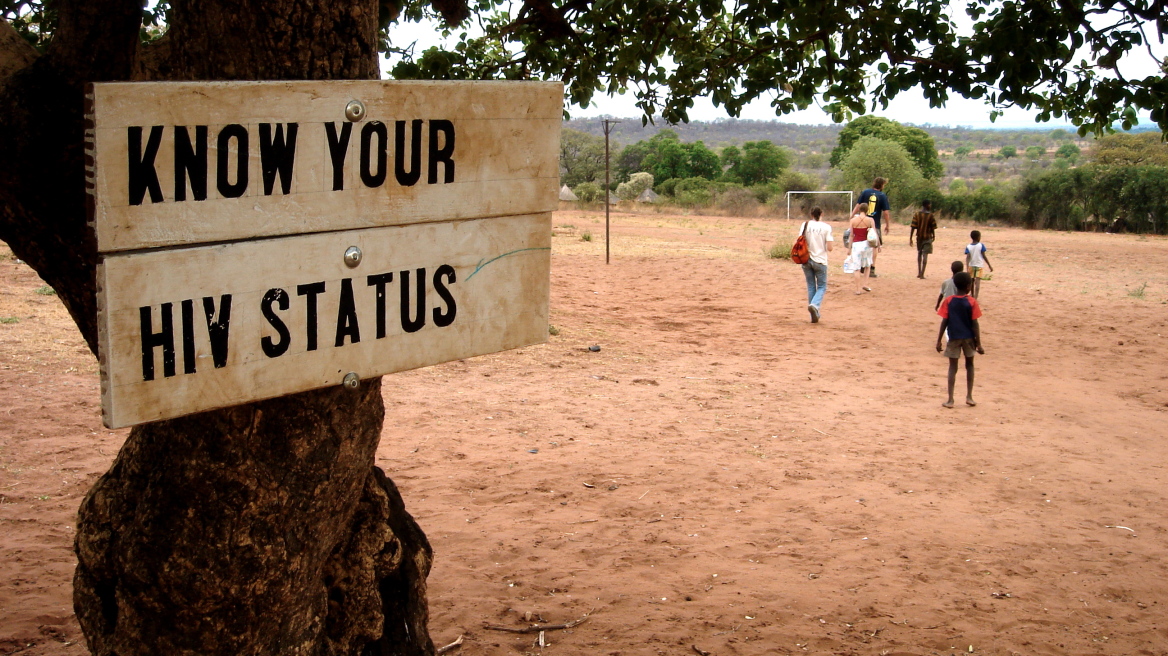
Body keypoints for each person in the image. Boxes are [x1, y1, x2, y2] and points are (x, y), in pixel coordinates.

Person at [936, 272, 984, 408]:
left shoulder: (949, 301)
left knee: (953, 367)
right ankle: (969, 396)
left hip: (953, 337)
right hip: (969, 337)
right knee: (970, 365)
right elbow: (975, 324)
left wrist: (939, 340)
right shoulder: (972, 302)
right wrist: (979, 343)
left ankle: (950, 399)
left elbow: (944, 321)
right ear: (969, 286)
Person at [799, 207, 834, 323]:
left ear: (811, 214)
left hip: (806, 259)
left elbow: (800, 240)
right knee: (822, 286)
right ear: (822, 214)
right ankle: (815, 305)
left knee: (811, 285)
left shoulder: (805, 225)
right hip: (820, 260)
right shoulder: (826, 227)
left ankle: (813, 313)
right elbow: (830, 248)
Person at [854, 177, 890, 277]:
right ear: (882, 185)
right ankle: (872, 269)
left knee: (861, 242)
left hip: (862, 222)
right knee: (874, 245)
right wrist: (887, 225)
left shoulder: (865, 192)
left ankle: (861, 266)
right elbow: (886, 213)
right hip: (875, 224)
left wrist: (852, 216)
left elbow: (858, 205)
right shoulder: (882, 196)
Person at [842, 206, 875, 294]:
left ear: (859, 210)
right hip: (867, 244)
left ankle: (857, 289)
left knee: (856, 268)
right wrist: (878, 245)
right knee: (867, 266)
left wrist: (849, 248)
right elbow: (874, 233)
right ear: (867, 210)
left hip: (856, 245)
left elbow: (851, 235)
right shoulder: (870, 220)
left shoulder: (853, 220)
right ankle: (865, 284)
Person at [909, 200, 938, 279]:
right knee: (925, 255)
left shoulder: (917, 214)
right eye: (929, 204)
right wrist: (934, 236)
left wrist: (910, 238)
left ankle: (919, 272)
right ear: (927, 205)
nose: (930, 206)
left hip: (919, 237)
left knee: (919, 253)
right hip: (927, 237)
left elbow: (913, 227)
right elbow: (933, 227)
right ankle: (922, 273)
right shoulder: (931, 215)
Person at [964, 230, 994, 298]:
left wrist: (967, 267)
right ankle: (976, 297)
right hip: (979, 266)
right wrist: (989, 265)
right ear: (978, 237)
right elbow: (984, 256)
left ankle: (972, 294)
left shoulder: (968, 246)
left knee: (971, 281)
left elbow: (967, 257)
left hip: (971, 266)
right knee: (977, 282)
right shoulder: (981, 245)